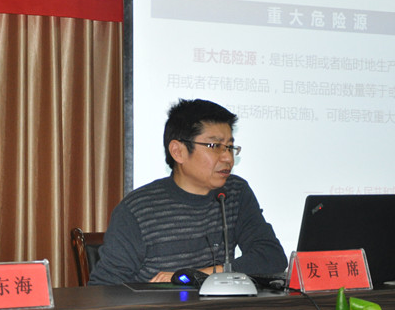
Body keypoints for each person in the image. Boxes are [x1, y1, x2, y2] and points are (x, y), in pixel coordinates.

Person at [88, 98, 287, 285]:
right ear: (178, 151)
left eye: (230, 147)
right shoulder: (137, 210)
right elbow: (103, 288)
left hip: (218, 309)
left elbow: (272, 256)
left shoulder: (234, 193)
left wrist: (197, 275)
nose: (228, 157)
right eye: (215, 146)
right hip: (159, 309)